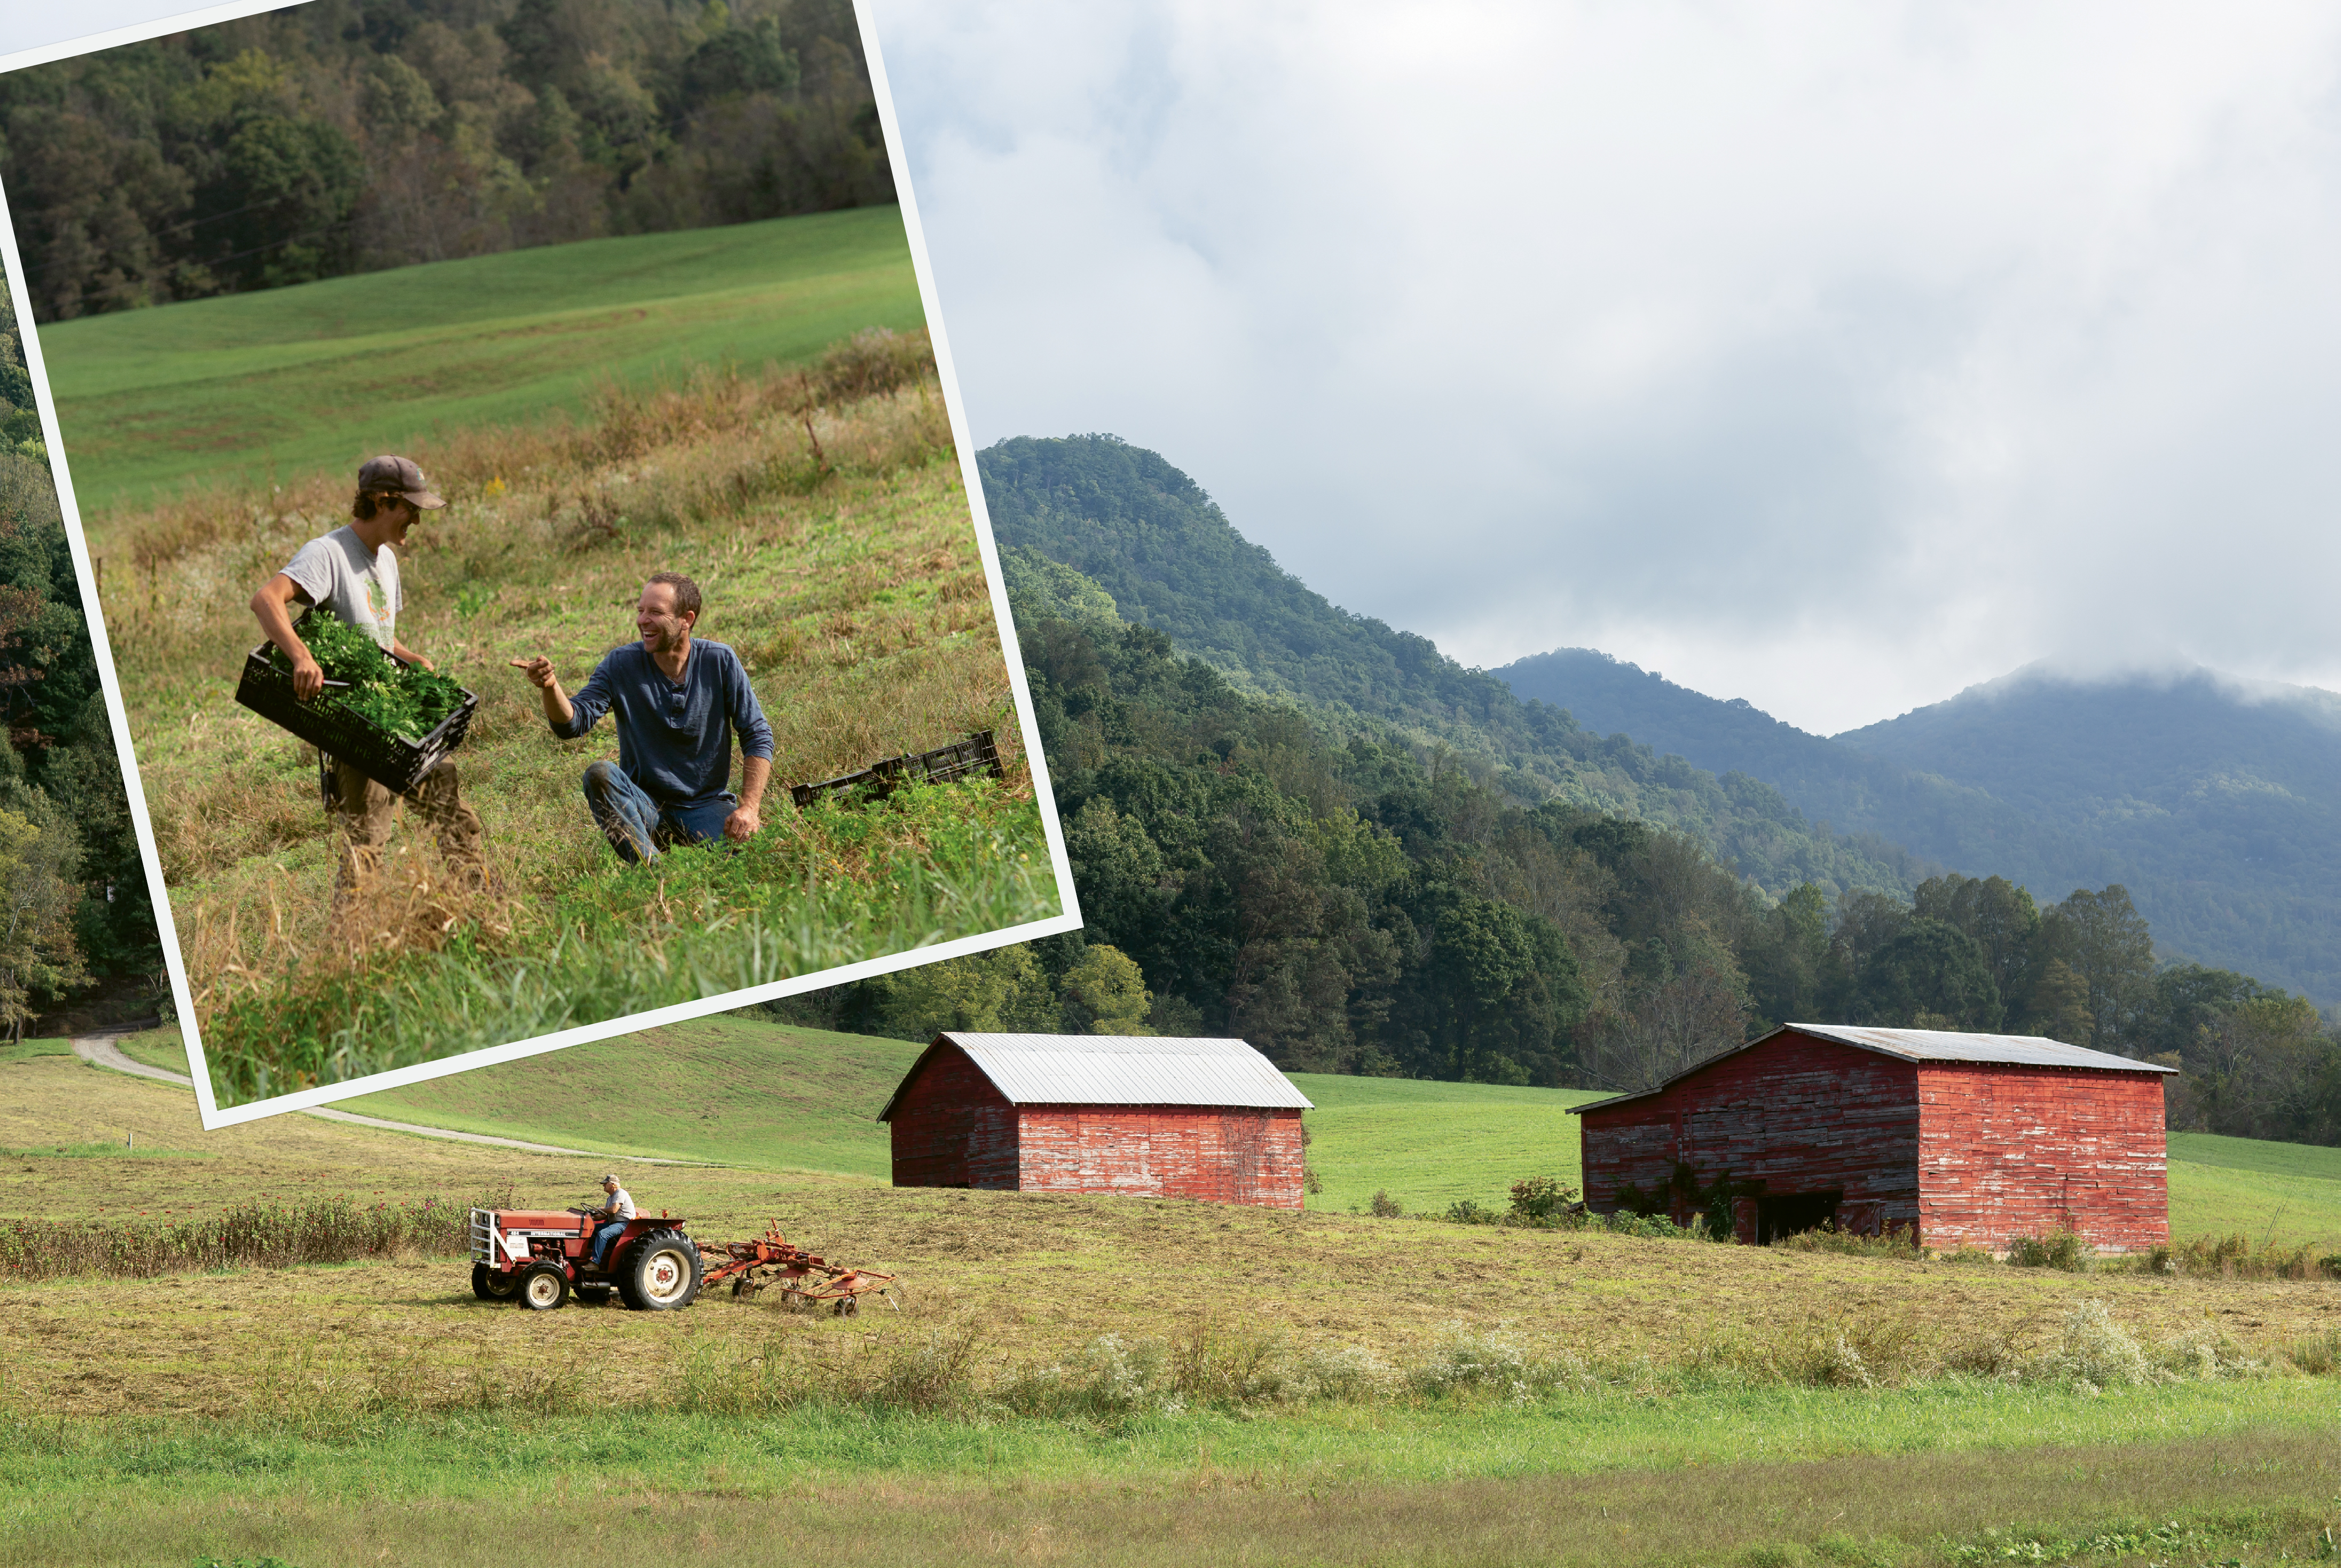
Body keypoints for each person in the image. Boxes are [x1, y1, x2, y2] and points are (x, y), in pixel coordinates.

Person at [249, 455, 486, 910]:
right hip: (355, 723)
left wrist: (410, 657)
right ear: (382, 500)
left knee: (453, 812)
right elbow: (266, 600)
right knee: (368, 845)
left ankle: (481, 905)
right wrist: (301, 656)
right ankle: (350, 945)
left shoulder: (387, 561)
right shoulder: (328, 554)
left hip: (394, 715)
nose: (417, 519)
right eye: (410, 508)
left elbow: (379, 637)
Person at [510, 572, 774, 862]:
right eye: (640, 611)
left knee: (755, 858)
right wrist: (550, 687)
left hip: (704, 806)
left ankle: (694, 850)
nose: (642, 620)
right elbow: (573, 723)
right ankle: (653, 871)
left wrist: (749, 808)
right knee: (600, 774)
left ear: (686, 619)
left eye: (655, 612)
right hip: (644, 809)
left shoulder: (720, 661)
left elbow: (756, 734)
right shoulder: (621, 664)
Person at [587, 1174, 636, 1271]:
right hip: (613, 1223)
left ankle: (595, 1263)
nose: (604, 1186)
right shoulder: (610, 1198)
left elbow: (614, 1210)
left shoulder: (620, 1193)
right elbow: (605, 1215)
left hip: (624, 1224)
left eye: (606, 1184)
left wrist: (600, 1210)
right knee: (591, 1229)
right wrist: (590, 1217)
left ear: (613, 1185)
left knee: (603, 1234)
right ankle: (587, 1255)